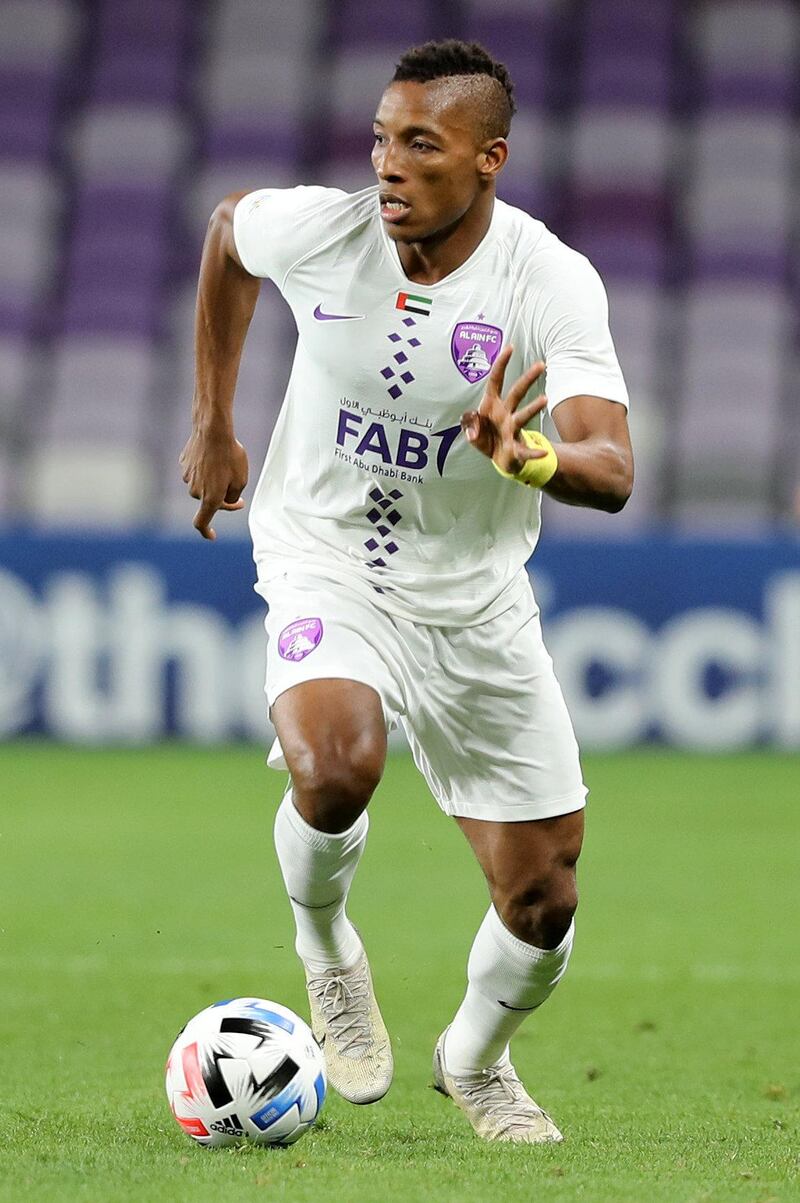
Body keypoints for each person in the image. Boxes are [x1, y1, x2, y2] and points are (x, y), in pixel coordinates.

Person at [180, 39, 633, 1144]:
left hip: (473, 601)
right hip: (324, 552)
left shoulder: (547, 279)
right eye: (380, 137)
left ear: (488, 159)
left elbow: (610, 469)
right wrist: (213, 421)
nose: (386, 163)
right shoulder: (330, 232)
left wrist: (529, 462)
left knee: (544, 899)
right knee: (335, 770)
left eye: (418, 144)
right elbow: (230, 232)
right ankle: (325, 944)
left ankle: (472, 1063)